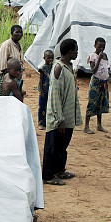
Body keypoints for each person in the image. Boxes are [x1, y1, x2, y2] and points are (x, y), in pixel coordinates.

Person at [42, 39, 81, 185]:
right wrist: (60, 118)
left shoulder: (68, 66)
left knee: (62, 145)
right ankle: (48, 176)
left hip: (68, 115)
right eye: (76, 50)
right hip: (59, 117)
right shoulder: (58, 68)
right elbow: (55, 95)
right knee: (53, 146)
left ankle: (59, 170)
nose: (77, 52)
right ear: (70, 51)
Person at [84, 37, 110, 134]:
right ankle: (86, 126)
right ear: (95, 46)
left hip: (103, 84)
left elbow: (107, 66)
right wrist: (99, 58)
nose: (101, 49)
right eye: (99, 46)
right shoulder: (92, 56)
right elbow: (93, 71)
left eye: (103, 47)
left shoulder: (105, 55)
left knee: (100, 103)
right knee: (92, 103)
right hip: (95, 84)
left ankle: (99, 125)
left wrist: (108, 75)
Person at [0, 25, 25, 95]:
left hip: (16, 76)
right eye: (17, 32)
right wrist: (9, 78)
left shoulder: (19, 44)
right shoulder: (6, 45)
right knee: (5, 97)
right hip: (7, 77)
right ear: (12, 33)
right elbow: (1, 65)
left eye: (21, 32)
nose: (19, 34)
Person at [37, 50, 54, 130]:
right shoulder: (42, 68)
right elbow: (40, 81)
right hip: (44, 91)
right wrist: (41, 92)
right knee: (41, 107)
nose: (50, 60)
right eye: (48, 58)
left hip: (50, 91)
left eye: (52, 58)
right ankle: (40, 123)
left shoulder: (53, 67)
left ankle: (46, 123)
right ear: (44, 58)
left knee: (48, 107)